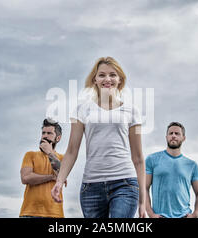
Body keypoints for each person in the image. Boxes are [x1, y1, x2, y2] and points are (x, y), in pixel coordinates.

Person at [51, 56, 146, 218]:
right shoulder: (82, 109)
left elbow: (137, 157)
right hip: (91, 187)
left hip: (125, 183)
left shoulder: (132, 111)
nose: (107, 79)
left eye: (112, 75)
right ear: (95, 79)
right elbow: (72, 151)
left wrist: (143, 201)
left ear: (120, 79)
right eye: (102, 75)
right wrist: (59, 181)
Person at [145, 122, 198, 218]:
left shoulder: (192, 165)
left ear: (183, 138)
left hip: (184, 215)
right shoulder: (152, 159)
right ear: (166, 137)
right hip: (160, 216)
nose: (173, 136)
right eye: (170, 133)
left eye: (177, 134)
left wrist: (195, 214)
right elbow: (144, 188)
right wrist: (150, 214)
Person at [19, 118, 65, 218]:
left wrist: (49, 152)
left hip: (55, 214)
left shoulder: (62, 158)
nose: (45, 136)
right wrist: (51, 177)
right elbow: (25, 178)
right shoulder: (30, 155)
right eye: (43, 133)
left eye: (49, 133)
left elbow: (61, 176)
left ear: (58, 138)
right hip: (30, 213)